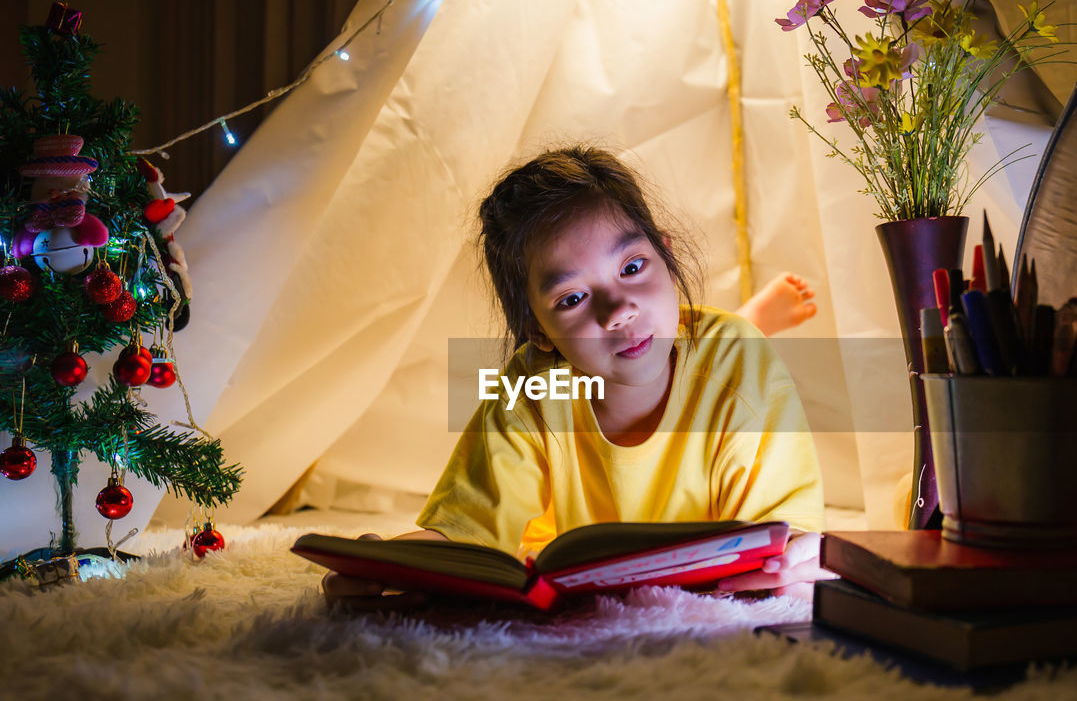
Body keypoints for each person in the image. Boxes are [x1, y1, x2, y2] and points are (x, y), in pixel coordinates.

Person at [323, 146, 832, 606]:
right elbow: (465, 535)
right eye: (571, 299)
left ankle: (752, 314)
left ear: (668, 256)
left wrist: (794, 558)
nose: (617, 311)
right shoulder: (532, 385)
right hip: (563, 549)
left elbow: (786, 532)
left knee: (720, 347)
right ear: (537, 332)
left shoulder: (742, 362)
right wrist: (382, 563)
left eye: (632, 267)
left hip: (715, 366)